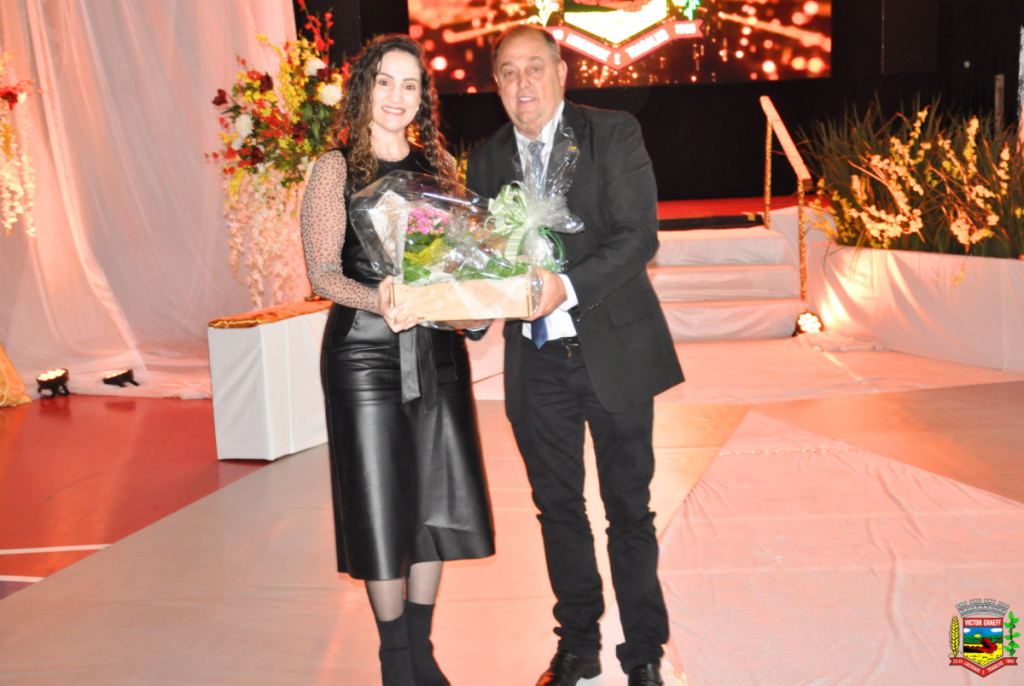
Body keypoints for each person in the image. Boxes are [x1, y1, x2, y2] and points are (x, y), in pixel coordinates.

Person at [466, 25, 684, 686]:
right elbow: (482, 261)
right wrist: (462, 306)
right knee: (557, 509)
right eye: (509, 72)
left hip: (613, 350)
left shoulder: (610, 133)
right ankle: (578, 645)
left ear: (562, 72)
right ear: (496, 84)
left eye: (535, 67)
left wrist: (567, 285)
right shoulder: (487, 159)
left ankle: (643, 652)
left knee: (629, 510)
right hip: (535, 363)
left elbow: (638, 235)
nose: (523, 83)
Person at [300, 35, 495, 686]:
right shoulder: (334, 169)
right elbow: (323, 273)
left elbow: (459, 265)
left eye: (410, 85)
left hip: (436, 350)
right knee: (380, 502)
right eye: (385, 81)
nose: (396, 96)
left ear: (423, 99)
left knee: (435, 496)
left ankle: (421, 648)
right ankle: (394, 657)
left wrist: (477, 303)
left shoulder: (439, 166)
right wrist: (379, 299)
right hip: (364, 355)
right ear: (364, 88)